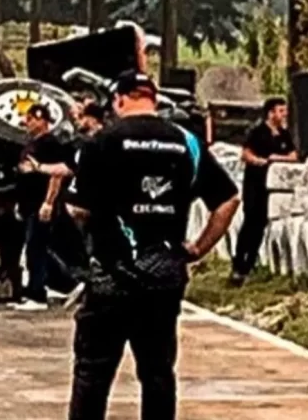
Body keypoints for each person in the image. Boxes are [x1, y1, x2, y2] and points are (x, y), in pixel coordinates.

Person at [65, 71, 240, 420]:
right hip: (164, 277)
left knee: (93, 374)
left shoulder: (101, 142)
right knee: (158, 373)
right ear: (154, 99)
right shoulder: (187, 142)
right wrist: (198, 248)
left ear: (119, 100)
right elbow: (228, 200)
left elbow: (78, 209)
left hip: (111, 278)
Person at [230, 97, 298, 285]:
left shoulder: (284, 134)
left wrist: (277, 158)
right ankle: (238, 263)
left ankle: (250, 263)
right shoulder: (257, 131)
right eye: (281, 111)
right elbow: (246, 153)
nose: (284, 115)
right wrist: (258, 161)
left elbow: (293, 155)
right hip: (255, 183)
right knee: (250, 222)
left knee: (260, 224)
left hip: (272, 187)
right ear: (271, 113)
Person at [13, 103, 74, 311]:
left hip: (41, 203)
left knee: (36, 248)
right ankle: (64, 283)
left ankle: (37, 294)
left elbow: (56, 175)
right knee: (37, 248)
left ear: (42, 120)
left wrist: (48, 202)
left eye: (30, 119)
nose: (27, 123)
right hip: (28, 203)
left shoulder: (50, 144)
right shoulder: (31, 144)